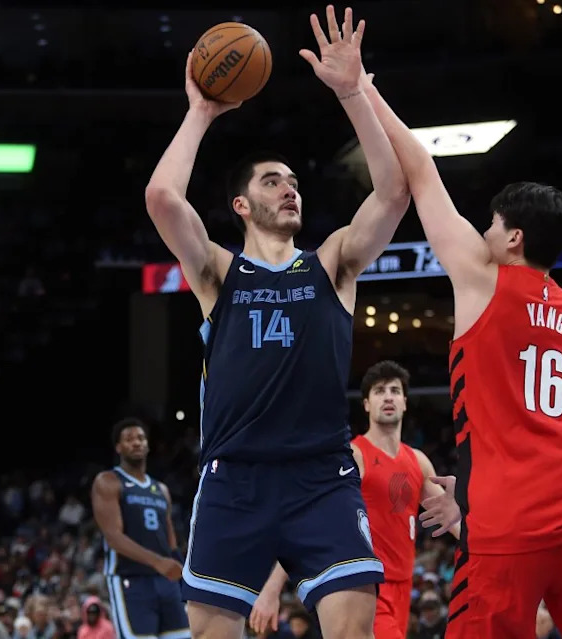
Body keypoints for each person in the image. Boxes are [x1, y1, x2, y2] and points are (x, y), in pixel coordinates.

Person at [360, 78, 562, 638]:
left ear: (515, 238)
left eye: (493, 224)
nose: (483, 231)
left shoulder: (481, 281)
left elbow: (421, 172)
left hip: (505, 529)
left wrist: (359, 86)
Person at [144, 6, 409, 638]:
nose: (289, 189)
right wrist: (201, 112)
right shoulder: (217, 272)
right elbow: (162, 199)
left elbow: (394, 191)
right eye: (272, 182)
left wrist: (354, 92)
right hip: (235, 479)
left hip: (323, 477)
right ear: (242, 204)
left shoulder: (333, 263)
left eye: (293, 182)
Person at [250, 360, 459, 638]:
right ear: (366, 404)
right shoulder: (354, 456)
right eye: (379, 391)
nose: (388, 397)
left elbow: (454, 521)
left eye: (395, 391)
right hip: (367, 586)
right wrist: (272, 588)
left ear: (405, 402)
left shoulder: (418, 462)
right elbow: (311, 520)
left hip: (403, 588)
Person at [90, 419, 189, 639]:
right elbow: (114, 537)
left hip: (166, 580)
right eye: (129, 439)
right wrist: (158, 562)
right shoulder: (108, 481)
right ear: (118, 447)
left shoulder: (161, 489)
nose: (136, 443)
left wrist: (183, 573)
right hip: (131, 580)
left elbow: (170, 539)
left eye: (141, 438)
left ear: (148, 445)